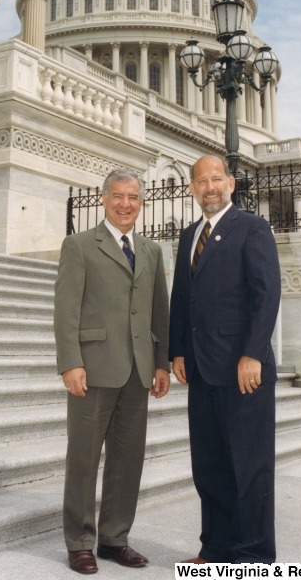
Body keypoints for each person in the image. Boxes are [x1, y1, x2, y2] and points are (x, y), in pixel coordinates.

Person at [54, 168, 170, 574]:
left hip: (139, 372)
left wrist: (161, 364)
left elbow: (160, 311)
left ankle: (115, 539)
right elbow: (66, 309)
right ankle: (80, 542)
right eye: (118, 196)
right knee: (83, 460)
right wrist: (70, 361)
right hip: (94, 370)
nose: (126, 204)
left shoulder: (152, 252)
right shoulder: (80, 245)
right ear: (104, 199)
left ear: (141, 202)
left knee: (128, 460)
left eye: (133, 197)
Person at [169, 155, 281, 564]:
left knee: (249, 470)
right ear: (193, 188)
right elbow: (182, 298)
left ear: (231, 183)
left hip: (241, 371)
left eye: (217, 179)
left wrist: (253, 353)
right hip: (200, 369)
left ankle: (252, 557)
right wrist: (177, 351)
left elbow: (266, 295)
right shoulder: (188, 236)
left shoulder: (252, 228)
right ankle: (215, 549)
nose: (210, 187)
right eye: (202, 181)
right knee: (210, 468)